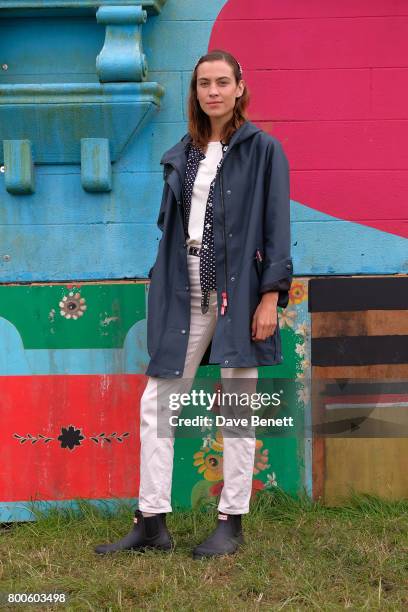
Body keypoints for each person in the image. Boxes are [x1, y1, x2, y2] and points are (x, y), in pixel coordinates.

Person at [95, 49, 293, 559]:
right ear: (196, 91)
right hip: (184, 293)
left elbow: (276, 229)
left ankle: (231, 522)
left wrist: (270, 295)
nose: (214, 92)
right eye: (205, 83)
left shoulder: (262, 150)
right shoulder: (181, 153)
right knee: (157, 403)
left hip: (240, 294)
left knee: (237, 408)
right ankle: (152, 521)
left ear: (240, 87)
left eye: (223, 82)